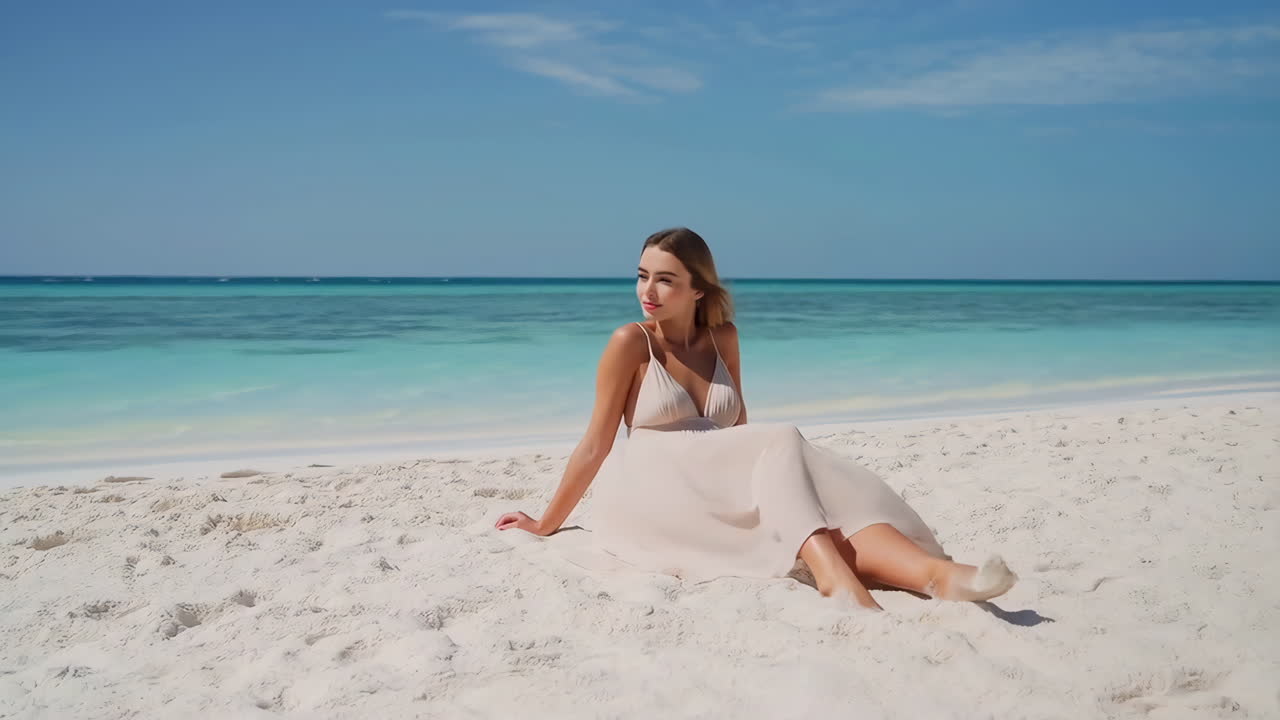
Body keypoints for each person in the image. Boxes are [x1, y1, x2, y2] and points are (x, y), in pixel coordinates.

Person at [496, 228, 1016, 610]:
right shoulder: (630, 342)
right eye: (643, 276)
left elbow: (738, 426)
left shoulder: (725, 339)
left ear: (698, 289)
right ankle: (835, 578)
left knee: (827, 507)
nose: (648, 291)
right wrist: (545, 524)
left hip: (717, 469)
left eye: (665, 280)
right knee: (784, 444)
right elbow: (596, 444)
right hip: (654, 484)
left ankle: (941, 576)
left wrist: (756, 493)